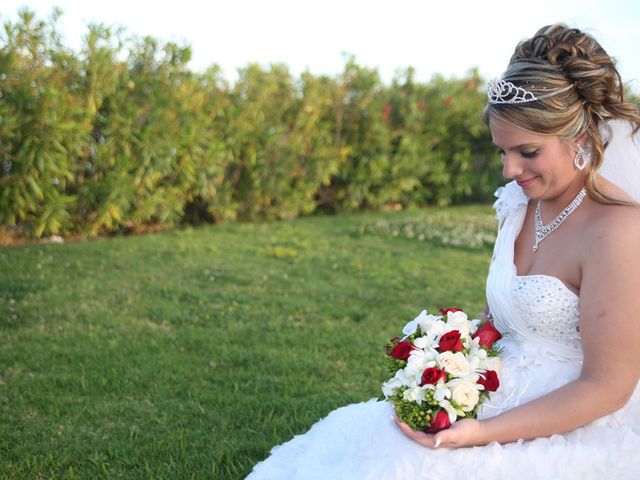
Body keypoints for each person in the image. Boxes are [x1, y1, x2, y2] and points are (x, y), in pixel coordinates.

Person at [246, 24, 640, 479]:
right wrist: (448, 369)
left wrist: (480, 433)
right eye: (502, 152)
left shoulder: (618, 230)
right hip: (497, 391)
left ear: (581, 140)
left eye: (527, 151)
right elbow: (501, 323)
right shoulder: (519, 205)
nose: (510, 170)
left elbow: (608, 386)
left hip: (575, 421)